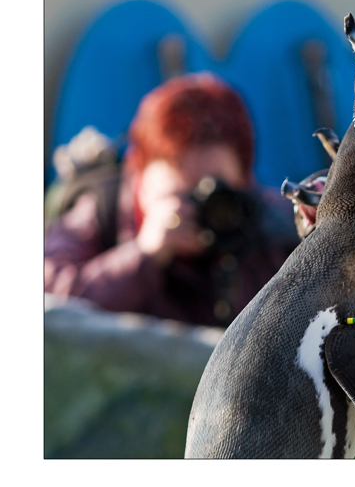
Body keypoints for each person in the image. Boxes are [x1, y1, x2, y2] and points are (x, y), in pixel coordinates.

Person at [45, 73, 300, 327]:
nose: (200, 210)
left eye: (218, 195)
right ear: (138, 174)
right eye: (181, 195)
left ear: (246, 182)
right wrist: (144, 254)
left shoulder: (275, 226)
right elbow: (49, 304)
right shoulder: (100, 212)